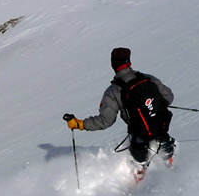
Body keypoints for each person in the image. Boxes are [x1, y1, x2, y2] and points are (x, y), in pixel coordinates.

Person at [64, 48, 176, 176]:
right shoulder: (148, 79)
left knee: (139, 165)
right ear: (129, 61)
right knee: (168, 162)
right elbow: (169, 97)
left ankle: (140, 182)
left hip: (139, 140)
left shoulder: (113, 91)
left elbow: (106, 121)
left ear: (113, 64)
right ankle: (172, 171)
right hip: (162, 133)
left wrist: (79, 124)